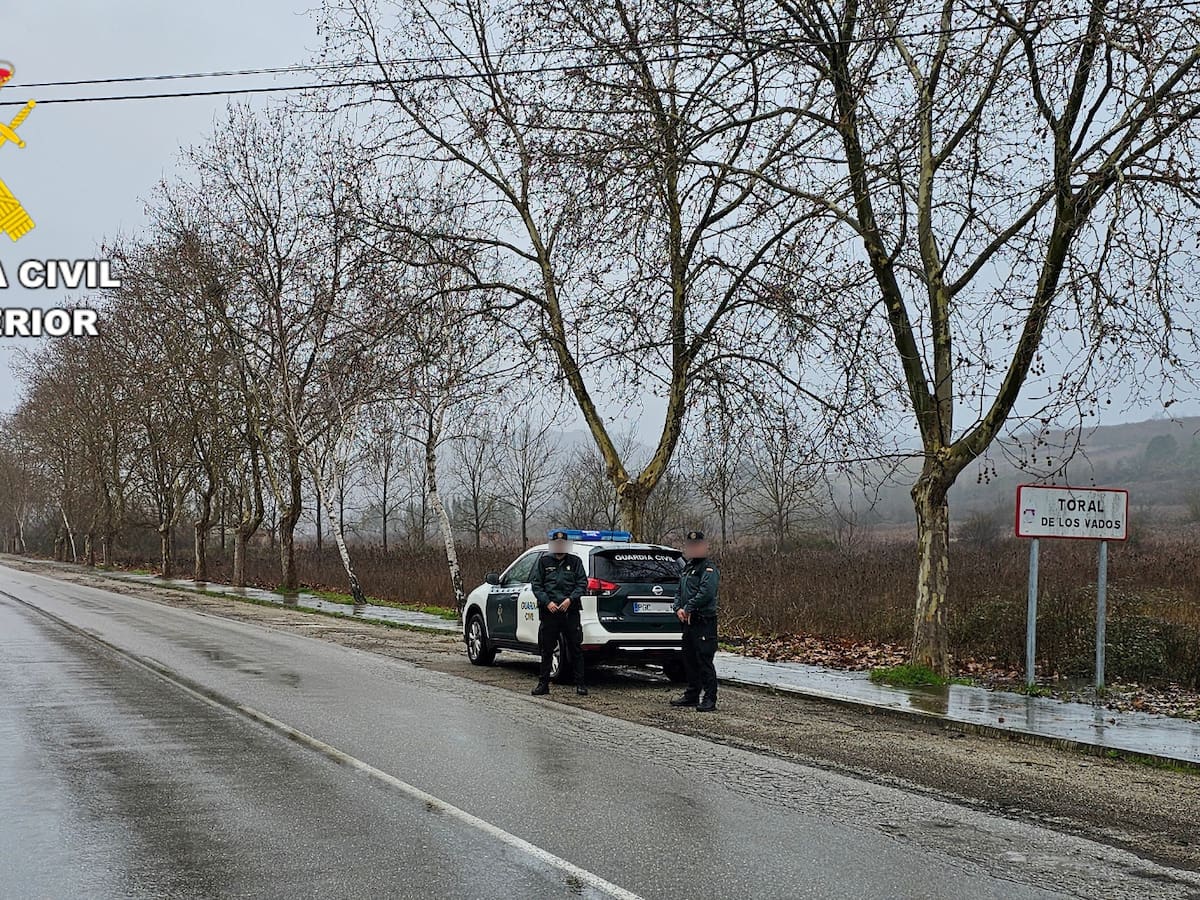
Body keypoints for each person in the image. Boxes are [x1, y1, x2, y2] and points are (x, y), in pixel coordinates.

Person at [530, 530, 589, 697]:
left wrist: (570, 599)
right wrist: (547, 602)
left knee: (575, 649)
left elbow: (582, 583)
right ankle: (543, 684)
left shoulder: (575, 562)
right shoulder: (544, 562)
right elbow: (537, 585)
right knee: (547, 649)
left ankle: (580, 684)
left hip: (570, 611)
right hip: (549, 612)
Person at [670, 530, 720, 711]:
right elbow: (679, 591)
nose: (694, 549)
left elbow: (706, 592)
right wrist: (678, 608)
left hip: (703, 621)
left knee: (704, 660)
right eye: (691, 546)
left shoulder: (708, 569)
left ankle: (709, 698)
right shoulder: (687, 567)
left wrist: (689, 607)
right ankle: (692, 695)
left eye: (697, 545)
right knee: (689, 659)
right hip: (688, 623)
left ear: (705, 547)